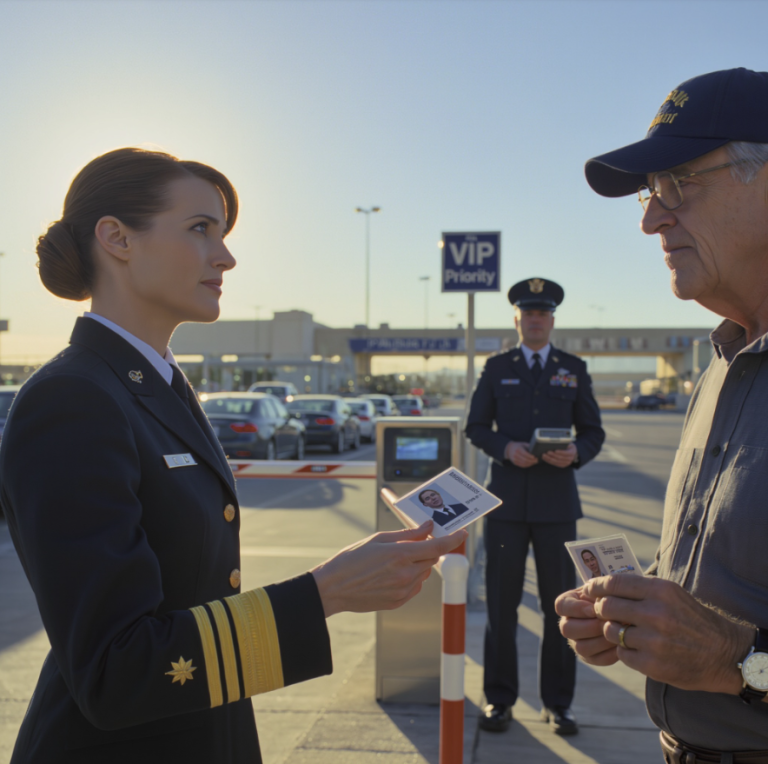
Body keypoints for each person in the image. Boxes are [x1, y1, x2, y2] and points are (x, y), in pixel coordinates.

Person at [0, 147, 467, 764]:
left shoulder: (155, 384)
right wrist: (326, 592)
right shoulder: (73, 399)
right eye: (200, 229)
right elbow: (115, 669)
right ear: (116, 238)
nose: (226, 256)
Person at [556, 67, 768, 762]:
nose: (650, 218)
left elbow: (732, 653)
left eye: (680, 183)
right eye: (651, 193)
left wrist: (737, 661)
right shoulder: (720, 369)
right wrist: (639, 614)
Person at [465, 278, 605, 735]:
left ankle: (558, 704)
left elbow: (592, 431)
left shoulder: (573, 368)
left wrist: (577, 453)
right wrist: (505, 448)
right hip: (505, 506)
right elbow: (476, 426)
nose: (536, 320)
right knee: (502, 609)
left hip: (556, 506)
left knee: (561, 608)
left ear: (552, 320)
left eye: (543, 313)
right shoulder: (496, 366)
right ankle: (500, 700)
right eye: (528, 313)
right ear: (517, 319)